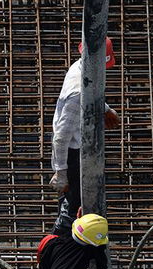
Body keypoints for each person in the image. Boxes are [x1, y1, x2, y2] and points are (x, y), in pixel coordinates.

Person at [48, 36, 120, 235]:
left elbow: (91, 94)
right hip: (72, 157)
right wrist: (61, 172)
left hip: (80, 149)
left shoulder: (81, 68)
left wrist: (104, 109)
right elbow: (61, 137)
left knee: (77, 208)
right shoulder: (77, 91)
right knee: (72, 211)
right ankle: (62, 247)